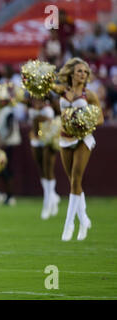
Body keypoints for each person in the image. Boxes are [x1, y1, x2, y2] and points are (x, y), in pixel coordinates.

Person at [51, 57, 104, 241]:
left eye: (85, 72)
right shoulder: (62, 91)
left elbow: (100, 118)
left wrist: (87, 123)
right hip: (65, 138)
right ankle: (84, 219)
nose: (83, 74)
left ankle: (69, 225)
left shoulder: (89, 95)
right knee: (73, 181)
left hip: (83, 138)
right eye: (79, 71)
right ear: (72, 73)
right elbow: (46, 84)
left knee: (75, 180)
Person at [28, 97, 60, 220]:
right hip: (36, 140)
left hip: (48, 140)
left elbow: (54, 119)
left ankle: (47, 203)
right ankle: (52, 196)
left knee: (48, 170)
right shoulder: (31, 102)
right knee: (41, 169)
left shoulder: (49, 107)